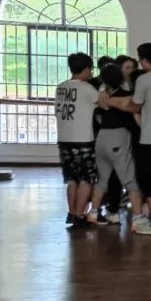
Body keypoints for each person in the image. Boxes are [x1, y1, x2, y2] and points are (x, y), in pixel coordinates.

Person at [102, 43, 151, 236]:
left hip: (150, 138)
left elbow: (135, 106)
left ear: (145, 60)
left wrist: (112, 101)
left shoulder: (144, 79)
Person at [86, 62, 147, 229]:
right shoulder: (126, 96)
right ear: (121, 78)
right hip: (118, 137)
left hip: (101, 138)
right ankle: (138, 218)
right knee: (131, 181)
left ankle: (93, 212)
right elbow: (135, 116)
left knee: (102, 180)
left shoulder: (100, 97)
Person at [55, 52, 100, 228]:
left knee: (72, 180)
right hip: (83, 141)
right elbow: (104, 103)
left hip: (64, 140)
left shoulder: (61, 87)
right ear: (86, 69)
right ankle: (80, 215)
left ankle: (72, 212)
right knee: (86, 180)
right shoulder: (87, 88)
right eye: (91, 69)